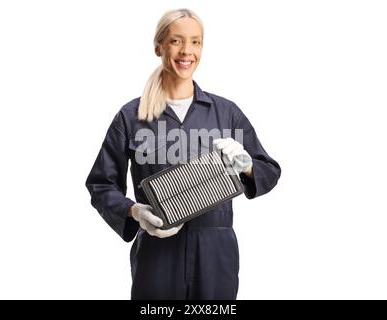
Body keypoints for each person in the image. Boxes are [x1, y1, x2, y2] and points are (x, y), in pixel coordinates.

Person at [85, 8, 281, 300]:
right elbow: (101, 184)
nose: (186, 51)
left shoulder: (226, 113)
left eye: (195, 42)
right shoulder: (131, 117)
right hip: (157, 255)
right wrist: (134, 212)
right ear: (158, 46)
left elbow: (270, 171)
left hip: (216, 255)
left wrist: (247, 165)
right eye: (176, 41)